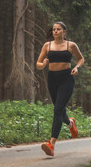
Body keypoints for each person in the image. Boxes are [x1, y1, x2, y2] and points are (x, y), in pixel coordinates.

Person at [36, 21, 84, 156]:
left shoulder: (71, 45)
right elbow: (38, 64)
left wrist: (76, 67)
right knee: (59, 108)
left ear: (64, 32)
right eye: (54, 29)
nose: (55, 31)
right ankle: (70, 124)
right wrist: (43, 64)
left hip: (67, 79)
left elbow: (81, 59)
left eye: (58, 29)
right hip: (52, 79)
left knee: (57, 109)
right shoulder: (47, 45)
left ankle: (51, 144)